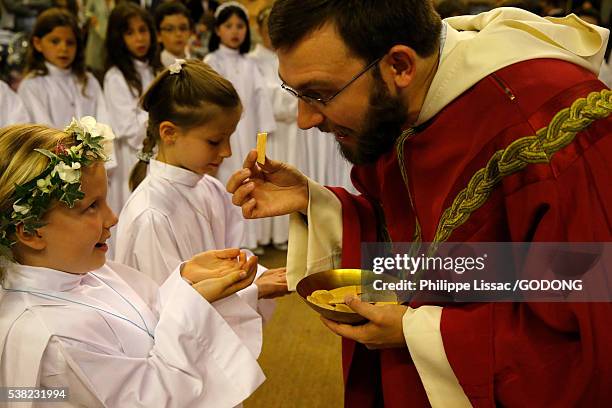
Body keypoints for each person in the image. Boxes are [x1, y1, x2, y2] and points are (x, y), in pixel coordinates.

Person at [226, 1, 612, 406]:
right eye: (295, 93)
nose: (304, 119)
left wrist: (421, 333)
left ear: (399, 66)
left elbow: (584, 315)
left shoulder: (553, 132)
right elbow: (428, 241)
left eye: (319, 94)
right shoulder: (401, 101)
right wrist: (317, 203)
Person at [0, 118, 265, 407]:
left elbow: (145, 319)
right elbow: (150, 398)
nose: (113, 217)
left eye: (105, 200)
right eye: (92, 207)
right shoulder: (52, 337)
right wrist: (192, 303)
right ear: (30, 231)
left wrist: (185, 279)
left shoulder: (78, 269)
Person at [115, 60, 287, 326]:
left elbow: (230, 254)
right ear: (169, 133)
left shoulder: (209, 187)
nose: (228, 151)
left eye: (230, 137)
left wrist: (259, 273)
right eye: (214, 141)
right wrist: (255, 290)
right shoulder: (151, 215)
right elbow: (167, 311)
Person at [204, 1, 276, 252]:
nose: (235, 31)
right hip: (223, 136)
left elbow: (260, 100)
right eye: (229, 25)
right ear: (217, 30)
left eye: (240, 26)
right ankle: (227, 240)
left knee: (248, 182)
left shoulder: (250, 64)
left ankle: (249, 239)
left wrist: (263, 139)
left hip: (248, 135)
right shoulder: (211, 61)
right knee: (225, 184)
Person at [103, 2, 162, 216]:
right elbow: (125, 126)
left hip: (161, 150)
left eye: (143, 30)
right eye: (130, 33)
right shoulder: (116, 77)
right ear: (118, 38)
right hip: (134, 155)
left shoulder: (157, 69)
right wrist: (159, 118)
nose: (139, 38)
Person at [18, 8, 107, 129]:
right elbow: (43, 130)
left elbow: (104, 122)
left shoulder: (88, 80)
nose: (63, 48)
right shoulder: (32, 85)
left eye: (70, 42)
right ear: (38, 43)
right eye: (55, 41)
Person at [154, 1, 193, 67]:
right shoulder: (152, 70)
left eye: (183, 28)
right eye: (170, 29)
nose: (178, 34)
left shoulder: (198, 65)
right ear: (158, 35)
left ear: (190, 32)